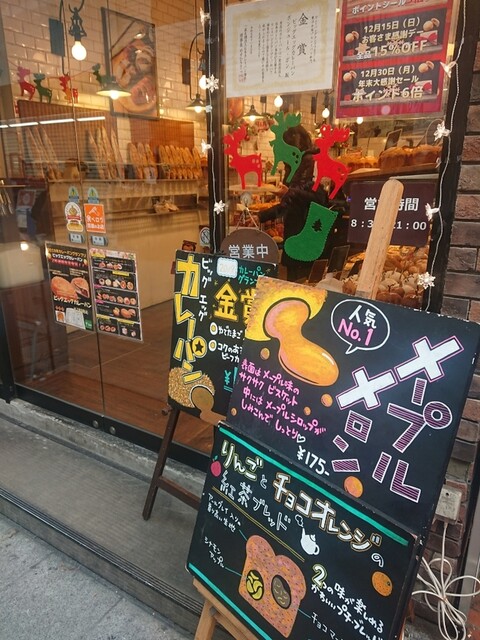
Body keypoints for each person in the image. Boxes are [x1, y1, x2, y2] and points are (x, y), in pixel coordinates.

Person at [258, 125, 331, 282]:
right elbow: (291, 202)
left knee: (303, 284)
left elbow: (320, 199)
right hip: (298, 234)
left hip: (307, 235)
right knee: (298, 283)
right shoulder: (297, 164)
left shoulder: (312, 163)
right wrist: (262, 216)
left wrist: (289, 193)